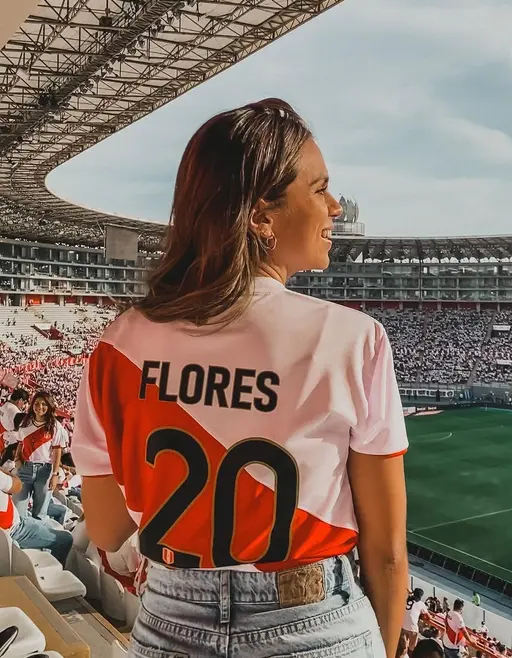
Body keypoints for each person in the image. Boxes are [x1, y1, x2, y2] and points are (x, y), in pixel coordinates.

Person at [72, 99, 409, 658]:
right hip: (317, 621)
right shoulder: (355, 340)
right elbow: (389, 553)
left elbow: (107, 530)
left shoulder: (119, 344)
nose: (334, 208)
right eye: (319, 189)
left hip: (167, 624)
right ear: (261, 216)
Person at [0, 467, 72, 564]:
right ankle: (54, 570)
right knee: (66, 539)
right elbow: (18, 485)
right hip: (14, 530)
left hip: (14, 523)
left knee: (45, 524)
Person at [14, 392, 66, 520]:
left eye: (44, 404)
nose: (40, 407)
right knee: (18, 510)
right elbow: (20, 443)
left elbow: (57, 451)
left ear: (49, 406)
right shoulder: (25, 423)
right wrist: (17, 460)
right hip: (25, 469)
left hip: (44, 472)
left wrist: (55, 475)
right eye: (36, 403)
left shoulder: (55, 426)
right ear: (32, 405)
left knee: (40, 513)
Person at [402, 588, 429, 654]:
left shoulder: (407, 599)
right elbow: (428, 616)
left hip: (403, 626)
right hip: (412, 628)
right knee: (412, 648)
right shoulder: (421, 604)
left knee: (403, 647)